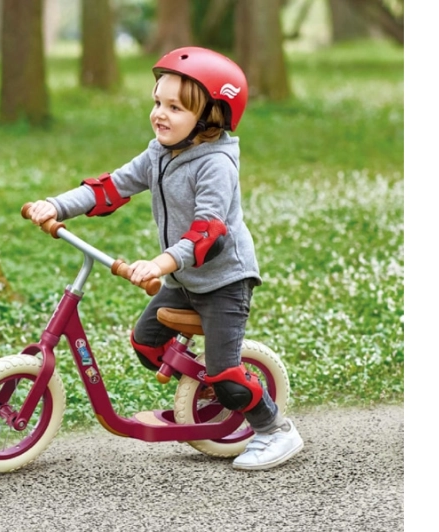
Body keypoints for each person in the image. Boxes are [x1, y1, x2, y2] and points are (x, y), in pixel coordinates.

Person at [27, 46, 303, 470]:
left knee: (227, 374)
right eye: (158, 102)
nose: (160, 114)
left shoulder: (215, 165)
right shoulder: (159, 152)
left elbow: (208, 234)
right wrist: (56, 205)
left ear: (211, 117)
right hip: (184, 280)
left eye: (175, 107)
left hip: (223, 283)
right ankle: (208, 393)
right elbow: (111, 187)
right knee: (145, 343)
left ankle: (273, 429)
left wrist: (159, 265)